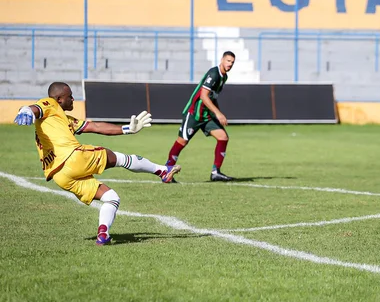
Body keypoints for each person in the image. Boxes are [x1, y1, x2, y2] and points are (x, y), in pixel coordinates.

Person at [13, 82, 181, 245]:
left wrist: (127, 129)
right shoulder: (50, 103)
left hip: (60, 176)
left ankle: (103, 234)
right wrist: (27, 109)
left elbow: (95, 126)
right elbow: (36, 107)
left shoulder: (62, 119)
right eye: (69, 96)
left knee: (111, 198)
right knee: (120, 158)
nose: (73, 99)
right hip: (73, 158)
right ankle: (162, 172)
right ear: (59, 98)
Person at [165, 51, 236, 182]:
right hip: (194, 114)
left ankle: (216, 172)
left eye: (232, 62)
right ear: (222, 60)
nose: (230, 64)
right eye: (228, 61)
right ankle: (166, 171)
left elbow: (212, 97)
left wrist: (217, 113)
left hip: (206, 116)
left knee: (223, 137)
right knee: (182, 141)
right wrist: (218, 113)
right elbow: (203, 95)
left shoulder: (223, 77)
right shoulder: (214, 73)